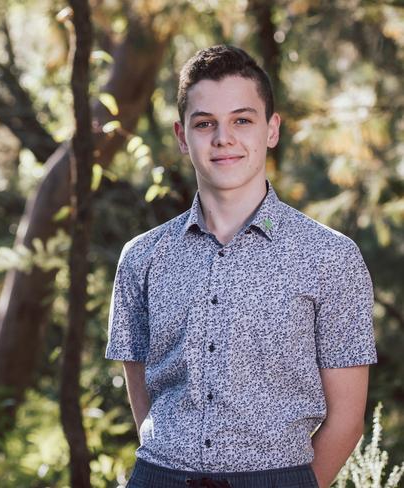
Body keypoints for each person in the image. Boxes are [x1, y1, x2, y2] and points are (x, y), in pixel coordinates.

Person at [105, 45, 377, 488]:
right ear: (181, 136)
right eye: (205, 123)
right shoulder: (142, 257)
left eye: (242, 120)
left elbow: (348, 421)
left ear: (271, 130)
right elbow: (143, 396)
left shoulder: (330, 256)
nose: (223, 138)